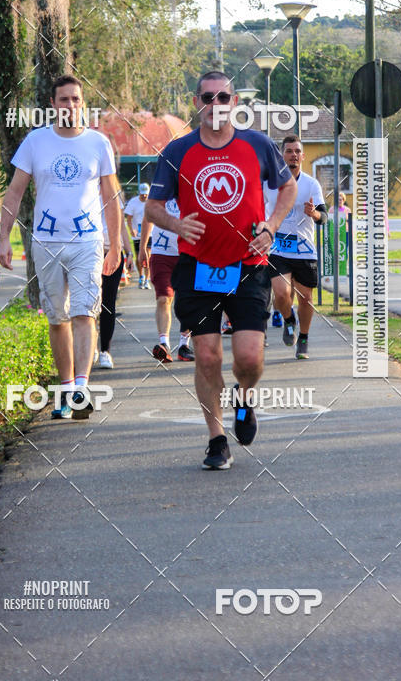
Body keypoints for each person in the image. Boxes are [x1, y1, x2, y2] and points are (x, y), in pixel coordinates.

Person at [146, 70, 296, 470]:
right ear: (197, 103)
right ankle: (216, 440)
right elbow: (152, 207)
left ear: (234, 103)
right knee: (208, 356)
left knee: (248, 358)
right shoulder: (177, 153)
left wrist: (272, 226)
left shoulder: (258, 144)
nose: (216, 104)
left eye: (224, 97)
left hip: (248, 265)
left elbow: (288, 188)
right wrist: (176, 224)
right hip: (197, 267)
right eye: (208, 97)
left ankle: (244, 399)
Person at [0, 74, 121, 420]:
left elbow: (110, 197)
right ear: (52, 104)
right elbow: (15, 192)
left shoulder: (97, 143)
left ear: (83, 103)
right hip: (46, 242)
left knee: (85, 312)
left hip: (87, 241)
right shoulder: (36, 142)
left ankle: (80, 388)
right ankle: (66, 390)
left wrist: (116, 246)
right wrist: (4, 236)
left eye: (76, 99)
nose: (70, 105)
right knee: (57, 318)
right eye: (64, 99)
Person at [263, 135, 328, 360]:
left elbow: (324, 216)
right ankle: (288, 319)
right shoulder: (269, 183)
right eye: (289, 151)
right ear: (281, 156)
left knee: (306, 298)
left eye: (297, 151)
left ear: (303, 156)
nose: (293, 155)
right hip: (278, 248)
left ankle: (304, 337)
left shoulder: (311, 184)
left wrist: (314, 213)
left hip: (304, 249)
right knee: (281, 293)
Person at [138, 199, 195, 363]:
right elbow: (148, 217)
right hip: (161, 253)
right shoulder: (160, 188)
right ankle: (164, 345)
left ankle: (184, 345)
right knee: (163, 299)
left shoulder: (192, 185)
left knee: (186, 302)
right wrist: (142, 248)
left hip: (187, 252)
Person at [98, 210, 134, 369]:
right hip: (89, 253)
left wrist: (129, 252)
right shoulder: (83, 189)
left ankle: (105, 351)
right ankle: (90, 344)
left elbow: (121, 227)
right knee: (88, 303)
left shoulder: (114, 195)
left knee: (107, 304)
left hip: (113, 254)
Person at [125, 183, 151, 289]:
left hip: (150, 233)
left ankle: (147, 280)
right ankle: (141, 276)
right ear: (139, 193)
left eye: (146, 194)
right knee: (139, 256)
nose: (144, 196)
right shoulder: (133, 202)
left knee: (148, 255)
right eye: (142, 194)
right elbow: (129, 218)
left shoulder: (152, 201)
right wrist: (131, 230)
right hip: (137, 234)